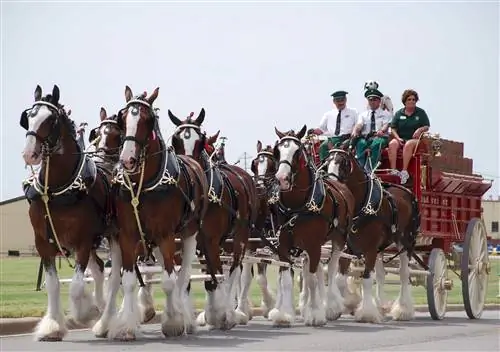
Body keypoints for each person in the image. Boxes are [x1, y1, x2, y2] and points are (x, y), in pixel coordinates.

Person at [388, 89, 430, 184]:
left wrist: (420, 130)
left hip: (415, 140)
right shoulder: (399, 113)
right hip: (401, 138)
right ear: (405, 101)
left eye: (414, 100)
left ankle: (404, 171)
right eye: (409, 99)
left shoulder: (420, 113)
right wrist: (397, 138)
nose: (411, 101)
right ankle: (393, 171)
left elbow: (427, 126)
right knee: (392, 144)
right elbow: (393, 128)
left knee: (408, 144)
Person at [309, 90, 358, 162]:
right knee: (323, 147)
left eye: (342, 100)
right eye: (338, 100)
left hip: (347, 139)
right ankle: (324, 169)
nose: (340, 102)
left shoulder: (353, 112)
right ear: (334, 101)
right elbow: (321, 129)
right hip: (332, 139)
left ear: (346, 100)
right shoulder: (328, 114)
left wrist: (354, 132)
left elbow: (358, 125)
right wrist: (313, 131)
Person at [352, 88, 392, 171]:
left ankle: (370, 169)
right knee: (360, 143)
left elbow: (386, 125)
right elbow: (359, 124)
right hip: (366, 138)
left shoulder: (386, 114)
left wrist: (381, 131)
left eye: (375, 99)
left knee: (376, 143)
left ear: (379, 101)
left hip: (380, 137)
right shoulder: (363, 115)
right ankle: (360, 168)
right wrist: (356, 130)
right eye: (370, 100)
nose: (372, 102)